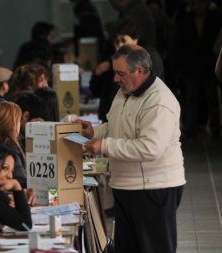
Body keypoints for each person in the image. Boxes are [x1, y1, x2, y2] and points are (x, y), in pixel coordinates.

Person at [79, 44, 186, 253]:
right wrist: (96, 132)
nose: (115, 79)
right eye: (115, 73)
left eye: (120, 73)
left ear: (140, 71)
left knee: (154, 248)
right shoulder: (124, 91)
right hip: (126, 186)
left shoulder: (159, 101)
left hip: (152, 188)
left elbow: (150, 148)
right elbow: (117, 127)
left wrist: (104, 145)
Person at [90, 18, 164, 123]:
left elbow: (143, 92)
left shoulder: (148, 58)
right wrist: (97, 74)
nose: (119, 45)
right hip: (113, 120)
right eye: (116, 41)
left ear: (136, 39)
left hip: (138, 120)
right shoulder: (115, 58)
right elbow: (99, 91)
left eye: (123, 40)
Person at [175, 0, 222, 140]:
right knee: (191, 98)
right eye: (195, 4)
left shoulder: (215, 18)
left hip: (209, 66)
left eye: (200, 3)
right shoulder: (186, 20)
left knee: (212, 99)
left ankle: (215, 129)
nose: (197, 7)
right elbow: (180, 44)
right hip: (191, 66)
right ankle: (191, 128)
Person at [0, 101, 27, 188]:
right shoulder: (11, 148)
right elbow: (22, 182)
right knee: (52, 189)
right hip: (14, 197)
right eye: (18, 120)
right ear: (11, 123)